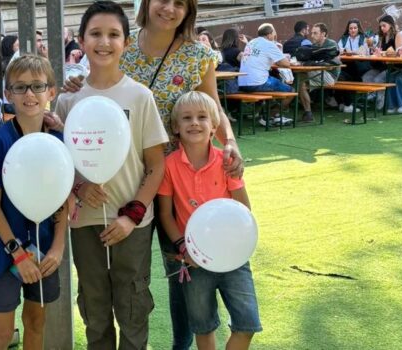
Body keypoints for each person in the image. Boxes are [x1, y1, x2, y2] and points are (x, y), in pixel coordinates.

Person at [64, 1, 245, 346]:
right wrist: (73, 82)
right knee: (108, 286)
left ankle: (182, 343)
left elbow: (212, 106)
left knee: (182, 269)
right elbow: (93, 87)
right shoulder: (122, 42)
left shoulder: (197, 55)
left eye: (180, 3)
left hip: (173, 177)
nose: (170, 8)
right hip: (122, 179)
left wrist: (230, 142)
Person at [55, 2, 169, 348]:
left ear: (126, 42)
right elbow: (59, 161)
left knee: (133, 304)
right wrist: (79, 186)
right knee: (95, 306)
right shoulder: (67, 100)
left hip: (131, 222)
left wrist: (132, 215)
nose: (104, 42)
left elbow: (156, 164)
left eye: (113, 35)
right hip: (84, 220)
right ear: (81, 40)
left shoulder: (140, 96)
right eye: (96, 34)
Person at [157, 91, 261, 350]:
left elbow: (243, 208)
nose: (194, 123)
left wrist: (234, 243)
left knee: (247, 324)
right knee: (203, 327)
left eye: (202, 117)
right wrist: (183, 246)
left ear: (214, 126)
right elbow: (166, 215)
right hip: (193, 260)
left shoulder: (227, 162)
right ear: (175, 128)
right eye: (187, 118)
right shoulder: (169, 165)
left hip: (233, 258)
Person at [0, 54, 67, 350]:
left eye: (37, 86)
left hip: (44, 251)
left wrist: (57, 248)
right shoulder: (0, 140)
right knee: (3, 334)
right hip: (3, 253)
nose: (29, 94)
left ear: (51, 92)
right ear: (8, 94)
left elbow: (63, 200)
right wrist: (16, 253)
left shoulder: (59, 139)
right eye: (19, 88)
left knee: (35, 323)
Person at [239, 23, 294, 124]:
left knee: (273, 83)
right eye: (274, 34)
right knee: (290, 91)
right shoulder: (269, 44)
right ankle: (272, 116)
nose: (274, 36)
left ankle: (265, 114)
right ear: (269, 35)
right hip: (257, 83)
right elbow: (286, 63)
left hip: (242, 83)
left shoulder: (251, 42)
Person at [298, 23, 340, 123]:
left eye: (315, 33)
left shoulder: (331, 44)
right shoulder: (314, 46)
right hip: (319, 74)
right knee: (300, 83)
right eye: (312, 33)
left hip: (330, 77)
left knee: (300, 76)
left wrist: (311, 63)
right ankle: (308, 113)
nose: (312, 36)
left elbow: (332, 65)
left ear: (323, 34)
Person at [362, 15, 402, 111]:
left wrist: (383, 53)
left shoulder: (397, 35)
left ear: (390, 25)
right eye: (380, 26)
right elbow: (380, 51)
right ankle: (373, 96)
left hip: (393, 66)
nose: (382, 28)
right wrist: (374, 50)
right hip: (382, 65)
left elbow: (399, 53)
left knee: (378, 79)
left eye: (384, 26)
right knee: (366, 77)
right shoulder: (382, 36)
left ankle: (381, 102)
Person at [335, 18, 369, 113]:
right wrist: (344, 51)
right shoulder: (344, 38)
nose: (353, 30)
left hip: (361, 64)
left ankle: (347, 103)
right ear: (348, 29)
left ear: (358, 29)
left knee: (345, 73)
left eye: (355, 28)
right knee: (341, 76)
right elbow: (338, 50)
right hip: (347, 64)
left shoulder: (363, 38)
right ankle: (343, 103)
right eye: (351, 28)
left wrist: (350, 52)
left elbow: (362, 51)